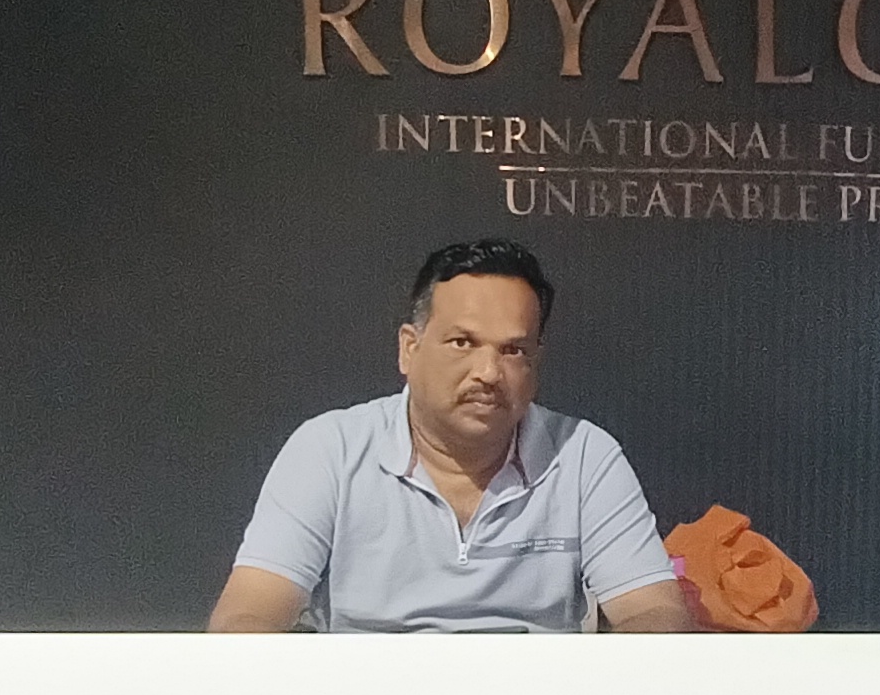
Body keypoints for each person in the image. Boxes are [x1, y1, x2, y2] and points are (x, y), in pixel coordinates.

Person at [207, 239, 692, 632]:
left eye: (513, 351)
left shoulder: (584, 455)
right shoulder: (330, 449)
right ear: (409, 349)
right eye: (463, 343)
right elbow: (247, 615)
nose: (488, 372)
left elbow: (655, 612)